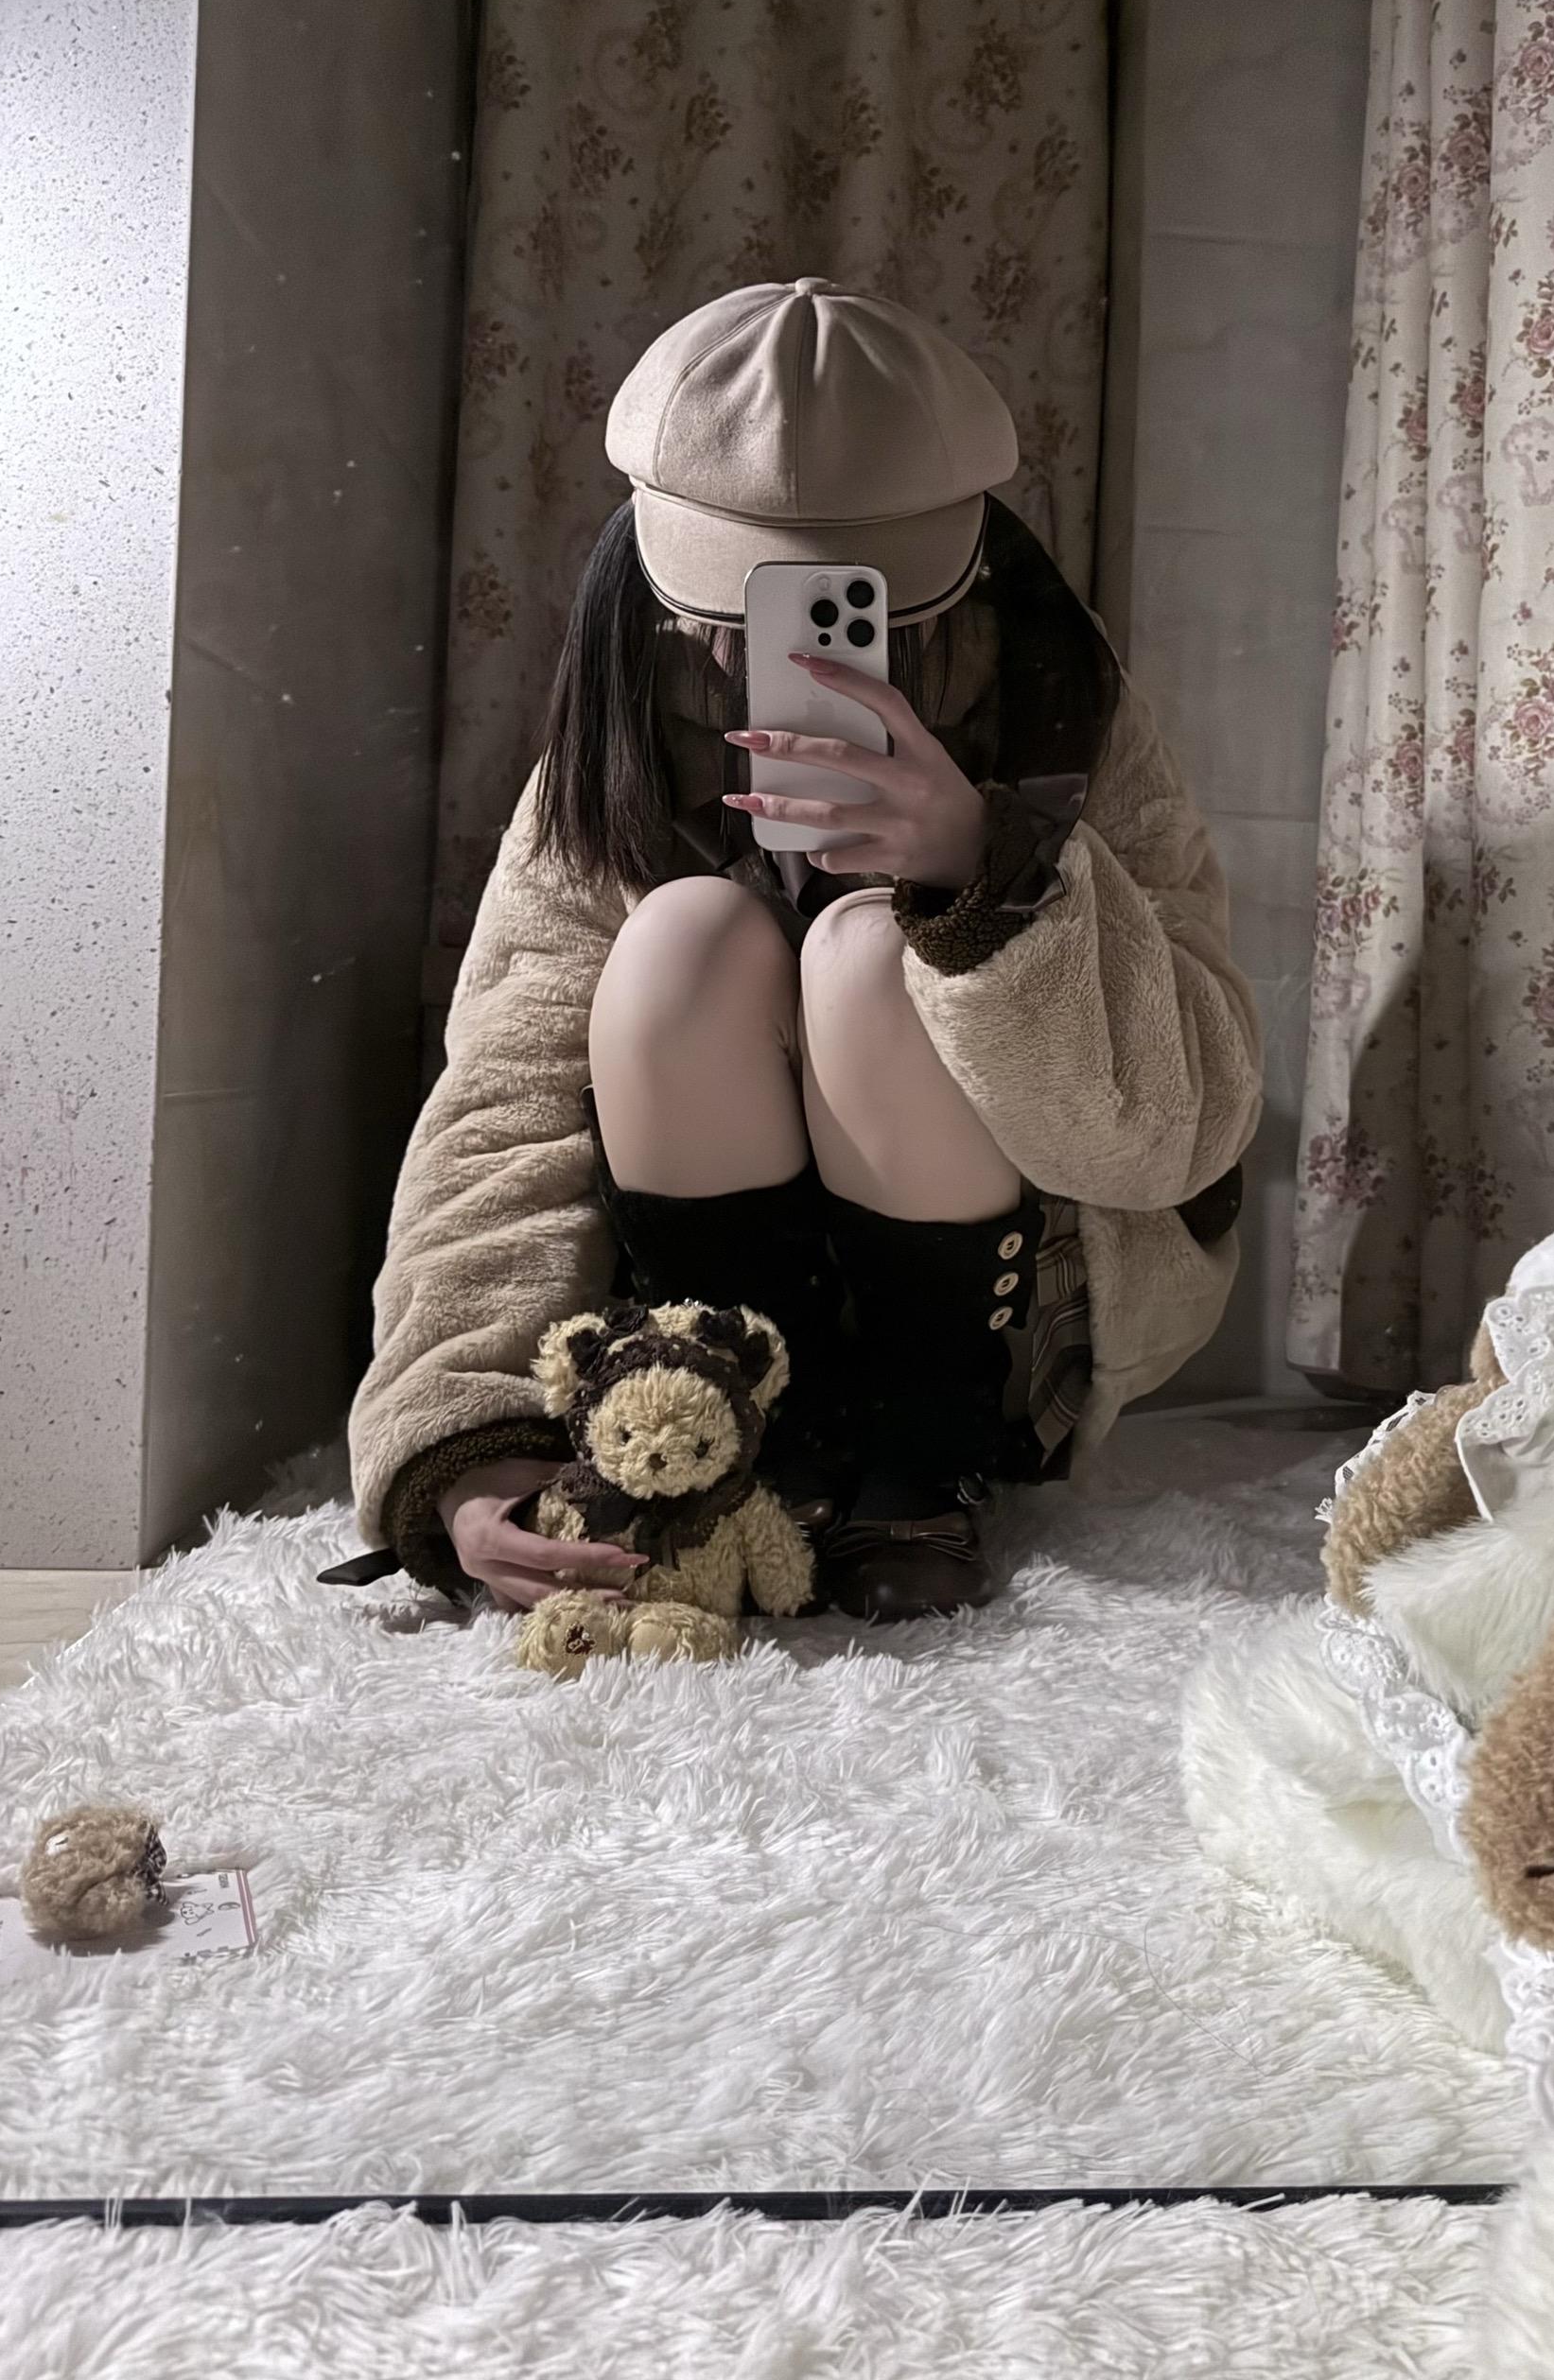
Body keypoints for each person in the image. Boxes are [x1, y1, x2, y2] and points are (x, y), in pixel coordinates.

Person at [346, 278, 1263, 1622]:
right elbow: (507, 1099)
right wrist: (467, 1440)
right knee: (684, 936)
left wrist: (994, 873)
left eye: (846, 590)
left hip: (1001, 1335)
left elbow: (1184, 1130)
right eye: (731, 592)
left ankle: (920, 1451)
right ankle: (743, 1431)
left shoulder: (1064, 710)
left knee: (865, 954)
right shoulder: (613, 745)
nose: (752, 633)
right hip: (695, 1346)